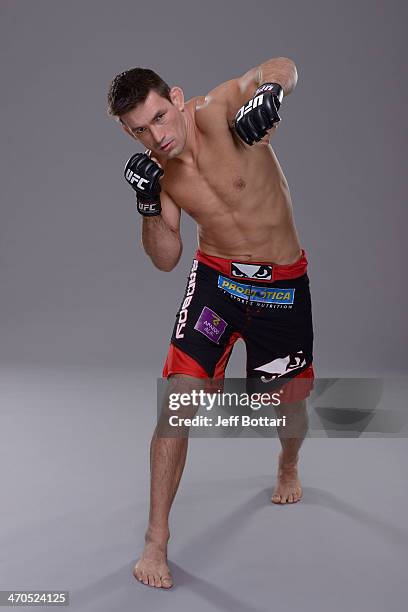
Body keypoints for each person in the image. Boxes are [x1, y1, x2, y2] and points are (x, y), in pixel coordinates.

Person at [107, 57, 314, 589]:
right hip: (216, 282)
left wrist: (271, 95)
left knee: (286, 404)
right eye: (138, 131)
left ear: (175, 98)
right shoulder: (163, 175)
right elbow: (165, 258)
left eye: (158, 118)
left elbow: (282, 67)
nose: (155, 136)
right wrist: (148, 204)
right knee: (178, 400)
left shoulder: (219, 110)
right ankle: (156, 540)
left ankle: (288, 463)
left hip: (280, 285)